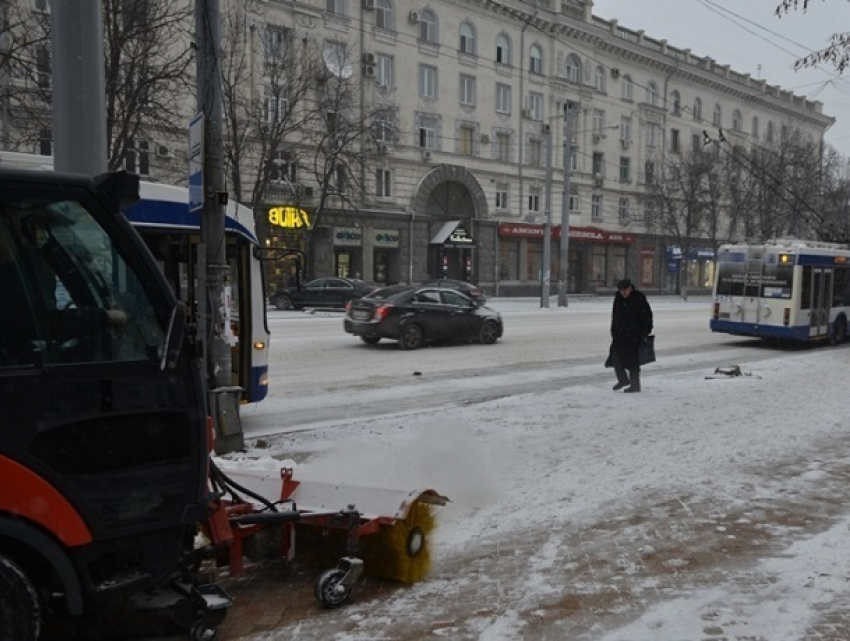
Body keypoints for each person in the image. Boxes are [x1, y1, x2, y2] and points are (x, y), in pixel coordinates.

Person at [610, 278, 653, 393]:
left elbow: (647, 315)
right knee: (615, 358)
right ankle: (623, 380)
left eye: (625, 290)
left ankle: (635, 385)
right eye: (621, 291)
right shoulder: (618, 298)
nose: (623, 293)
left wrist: (645, 331)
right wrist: (613, 331)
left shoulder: (638, 298)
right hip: (619, 334)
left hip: (634, 335)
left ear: (630, 288)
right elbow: (615, 316)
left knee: (633, 361)